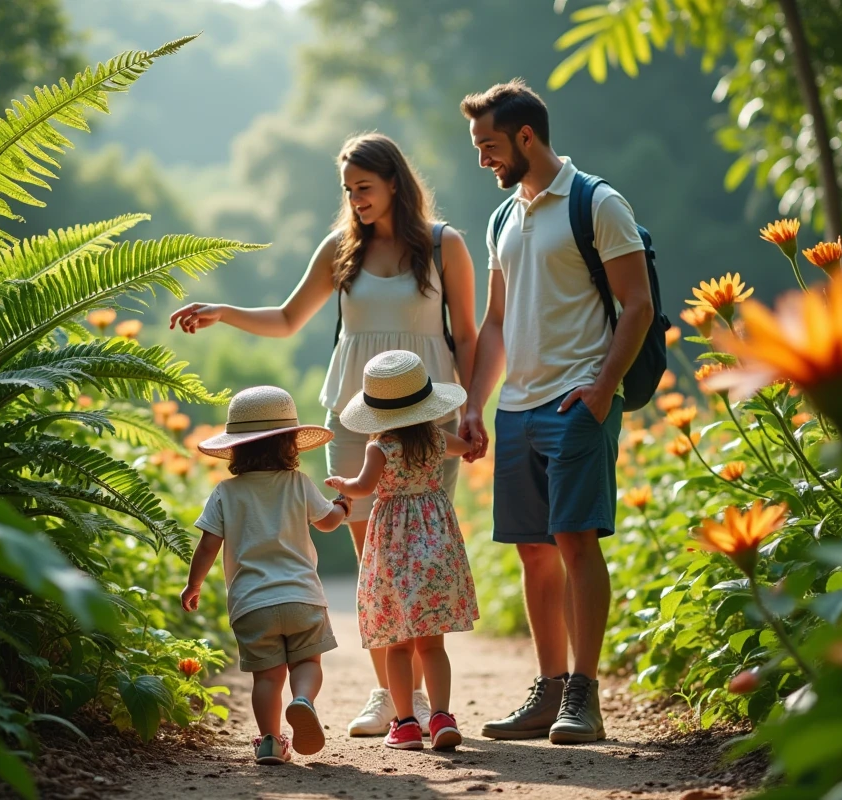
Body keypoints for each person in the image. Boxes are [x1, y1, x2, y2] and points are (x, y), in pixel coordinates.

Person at [169, 133, 478, 737]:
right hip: (353, 418)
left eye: (365, 187)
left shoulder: (445, 246)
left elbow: (465, 335)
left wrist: (472, 412)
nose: (356, 199)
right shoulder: (341, 248)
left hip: (426, 418)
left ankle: (429, 703)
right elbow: (287, 319)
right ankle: (395, 697)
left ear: (394, 183)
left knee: (420, 556)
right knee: (376, 569)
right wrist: (224, 311)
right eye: (348, 190)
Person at [458, 80, 655, 744]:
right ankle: (546, 693)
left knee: (575, 543)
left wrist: (602, 391)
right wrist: (475, 405)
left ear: (525, 137)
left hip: (578, 400)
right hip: (516, 408)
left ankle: (584, 697)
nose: (482, 159)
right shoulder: (502, 218)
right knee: (534, 555)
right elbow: (493, 323)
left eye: (488, 146)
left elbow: (638, 305)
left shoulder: (597, 202)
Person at [180, 386, 350, 766]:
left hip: (252, 604)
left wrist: (194, 584)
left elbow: (208, 545)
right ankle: (303, 700)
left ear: (236, 449)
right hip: (302, 597)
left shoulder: (225, 492)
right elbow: (327, 523)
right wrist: (342, 506)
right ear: (290, 445)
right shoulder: (299, 483)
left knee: (267, 678)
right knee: (307, 663)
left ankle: (271, 741)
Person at [325, 350, 478, 751]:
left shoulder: (380, 448)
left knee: (398, 641)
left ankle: (406, 723)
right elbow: (462, 447)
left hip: (394, 546)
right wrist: (473, 444)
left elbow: (363, 487)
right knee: (432, 642)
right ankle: (442, 717)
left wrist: (342, 483)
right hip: (435, 543)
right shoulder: (433, 437)